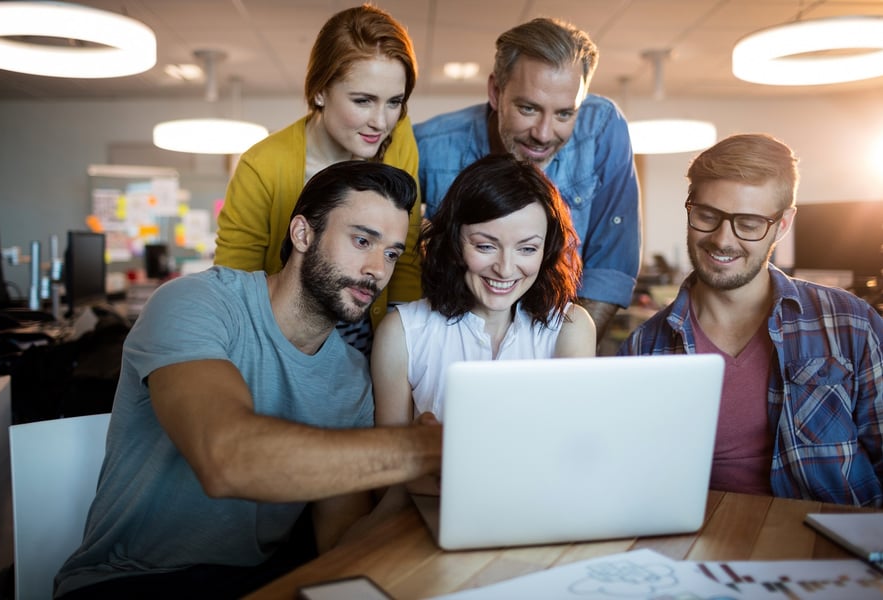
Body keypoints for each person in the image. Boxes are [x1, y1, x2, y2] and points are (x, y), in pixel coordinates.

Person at [54, 161, 442, 599]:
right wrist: (423, 448)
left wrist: (414, 487)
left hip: (252, 583)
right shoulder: (197, 303)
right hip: (128, 581)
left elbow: (337, 547)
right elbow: (225, 458)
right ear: (302, 234)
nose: (377, 268)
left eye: (391, 253)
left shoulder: (351, 378)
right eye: (361, 240)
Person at [618, 133, 883, 507]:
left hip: (833, 549)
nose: (723, 240)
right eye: (707, 216)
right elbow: (631, 479)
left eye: (749, 223)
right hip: (701, 546)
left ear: (783, 224)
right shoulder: (644, 348)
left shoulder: (851, 325)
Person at [413, 17, 641, 343]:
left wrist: (558, 359)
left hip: (561, 341)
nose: (544, 134)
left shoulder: (603, 127)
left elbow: (611, 268)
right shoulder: (428, 146)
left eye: (565, 113)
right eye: (528, 108)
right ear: (496, 91)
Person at [215, 3, 422, 355]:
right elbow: (234, 281)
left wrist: (405, 351)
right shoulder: (263, 165)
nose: (381, 122)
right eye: (363, 100)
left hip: (369, 336)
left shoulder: (398, 138)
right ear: (320, 91)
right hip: (282, 345)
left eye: (394, 102)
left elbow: (405, 255)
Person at [372, 154, 596, 426]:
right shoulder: (402, 333)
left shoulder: (570, 328)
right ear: (453, 242)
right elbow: (390, 460)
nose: (505, 269)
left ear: (546, 251)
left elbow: (572, 444)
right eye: (485, 246)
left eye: (527, 249)